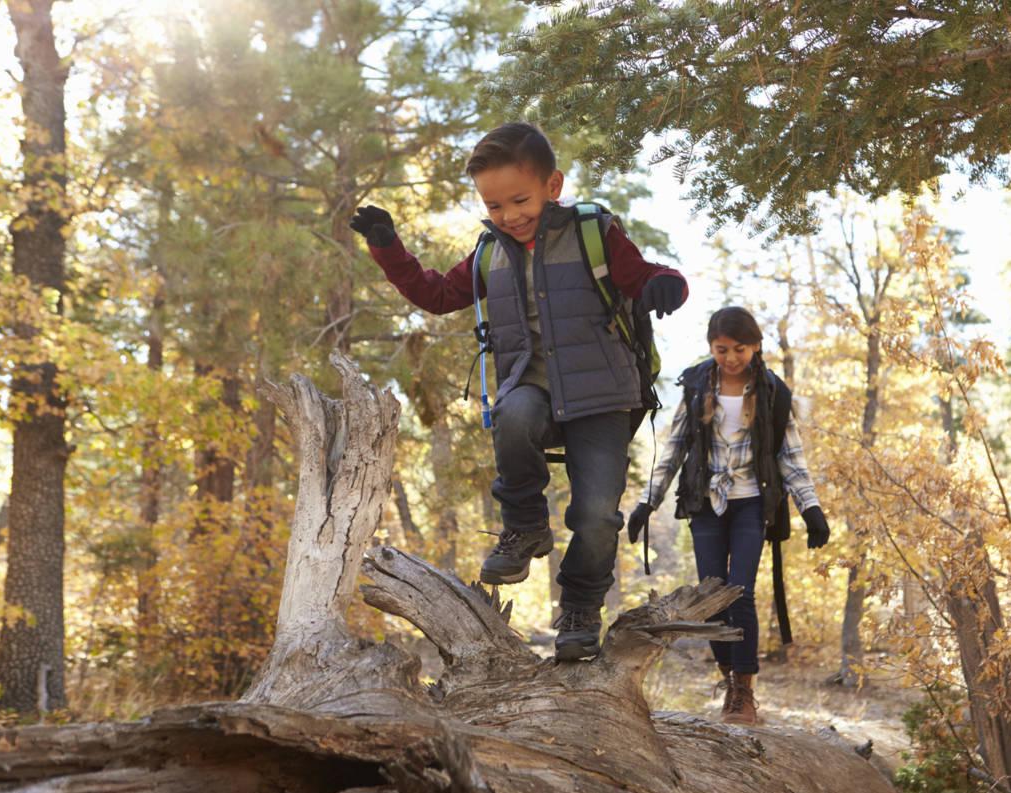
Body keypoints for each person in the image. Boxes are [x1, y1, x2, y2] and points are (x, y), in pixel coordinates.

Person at [350, 122, 688, 661]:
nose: (509, 214)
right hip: (531, 383)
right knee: (511, 411)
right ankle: (525, 528)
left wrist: (666, 284)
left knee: (598, 515)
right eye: (495, 204)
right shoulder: (490, 253)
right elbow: (437, 294)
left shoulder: (592, 232)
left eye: (519, 199)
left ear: (552, 186)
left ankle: (579, 609)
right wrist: (389, 249)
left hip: (602, 396)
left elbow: (642, 275)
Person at [628, 306, 829, 724]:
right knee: (713, 597)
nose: (732, 358)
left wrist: (811, 508)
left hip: (752, 502)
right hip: (706, 503)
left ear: (755, 346)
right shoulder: (697, 384)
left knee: (740, 593)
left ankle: (744, 690)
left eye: (740, 348)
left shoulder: (773, 392)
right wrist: (648, 502)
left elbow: (791, 458)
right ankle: (727, 681)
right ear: (711, 348)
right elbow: (675, 449)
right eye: (723, 349)